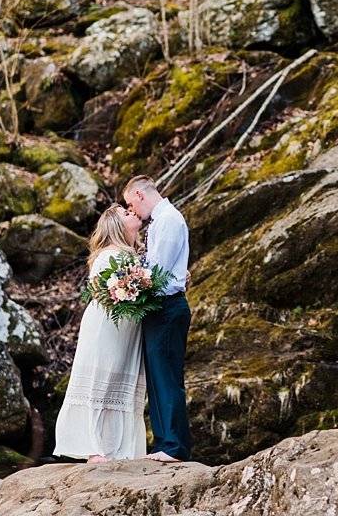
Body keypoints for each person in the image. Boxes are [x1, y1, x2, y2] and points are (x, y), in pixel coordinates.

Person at [53, 205, 147, 463]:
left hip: (128, 330)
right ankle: (92, 448)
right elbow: (107, 292)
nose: (133, 213)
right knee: (99, 383)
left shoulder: (136, 255)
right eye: (126, 213)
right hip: (105, 328)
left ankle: (120, 448)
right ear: (116, 225)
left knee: (122, 386)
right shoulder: (108, 256)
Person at [123, 175, 193, 463]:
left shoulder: (168, 220)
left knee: (166, 377)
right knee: (158, 377)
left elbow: (157, 274)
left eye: (130, 203)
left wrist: (130, 283)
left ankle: (174, 446)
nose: (132, 211)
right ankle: (165, 442)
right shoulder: (161, 220)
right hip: (159, 308)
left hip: (167, 306)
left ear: (140, 195)